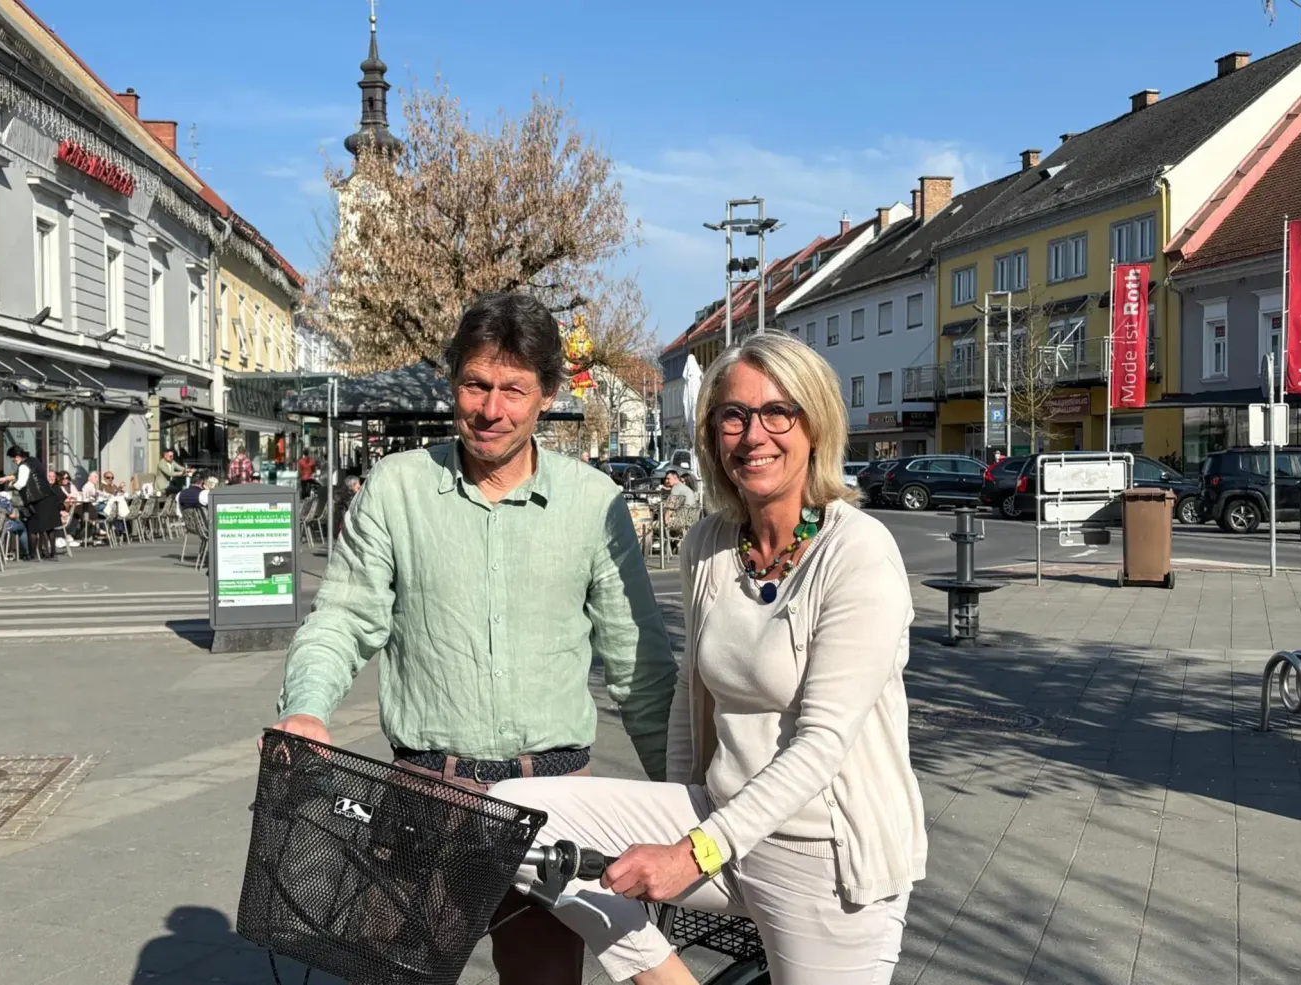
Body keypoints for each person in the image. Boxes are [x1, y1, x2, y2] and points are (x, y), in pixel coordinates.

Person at [493, 332, 928, 985]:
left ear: (816, 424)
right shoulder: (711, 544)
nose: (754, 434)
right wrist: (677, 820)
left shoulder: (858, 554)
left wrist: (689, 855)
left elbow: (822, 745)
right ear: (713, 434)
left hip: (826, 858)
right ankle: (664, 979)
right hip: (719, 824)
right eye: (733, 414)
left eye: (778, 412)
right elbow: (688, 702)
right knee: (513, 821)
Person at [270, 291, 677, 985]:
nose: (492, 409)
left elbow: (638, 664)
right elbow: (343, 616)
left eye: (514, 389)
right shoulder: (396, 489)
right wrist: (308, 706)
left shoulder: (592, 504)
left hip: (554, 801)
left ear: (547, 394)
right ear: (452, 381)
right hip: (428, 795)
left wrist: (683, 797)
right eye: (476, 385)